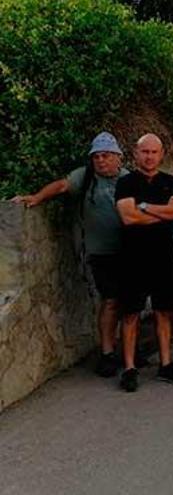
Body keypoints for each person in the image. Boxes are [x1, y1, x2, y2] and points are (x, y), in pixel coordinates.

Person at [12, 132, 129, 378]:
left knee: (128, 304)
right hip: (100, 252)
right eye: (96, 156)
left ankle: (128, 351)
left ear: (118, 157)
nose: (100, 161)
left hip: (128, 252)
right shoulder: (85, 177)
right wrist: (37, 197)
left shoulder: (129, 179)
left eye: (106, 156)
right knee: (109, 301)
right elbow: (62, 185)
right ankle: (107, 353)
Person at [114, 134, 173, 392]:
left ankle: (166, 364)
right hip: (132, 258)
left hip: (163, 257)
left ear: (161, 153)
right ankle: (130, 367)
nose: (149, 156)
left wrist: (143, 207)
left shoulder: (170, 181)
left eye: (154, 152)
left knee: (163, 311)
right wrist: (161, 213)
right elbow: (127, 217)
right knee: (130, 313)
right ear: (136, 153)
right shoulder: (125, 182)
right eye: (145, 151)